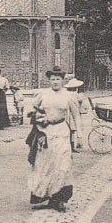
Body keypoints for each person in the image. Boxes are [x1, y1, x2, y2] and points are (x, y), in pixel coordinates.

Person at [26, 65, 79, 212]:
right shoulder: (42, 94)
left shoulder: (68, 96)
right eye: (53, 79)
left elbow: (76, 115)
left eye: (58, 79)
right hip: (45, 132)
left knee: (62, 163)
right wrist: (37, 117)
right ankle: (46, 197)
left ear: (62, 80)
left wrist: (79, 134)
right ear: (49, 80)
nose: (55, 82)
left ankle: (59, 199)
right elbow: (32, 110)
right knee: (45, 164)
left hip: (62, 131)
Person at [64, 77, 87, 151]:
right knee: (73, 130)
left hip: (68, 114)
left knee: (70, 130)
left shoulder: (67, 94)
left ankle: (71, 145)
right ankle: (72, 146)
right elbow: (79, 104)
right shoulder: (74, 95)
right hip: (72, 114)